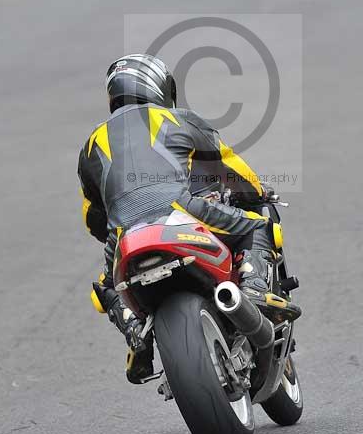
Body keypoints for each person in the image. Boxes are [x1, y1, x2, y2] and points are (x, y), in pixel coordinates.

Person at [78, 54, 284, 383]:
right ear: (160, 88)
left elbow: (93, 218)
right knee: (258, 227)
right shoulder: (178, 119)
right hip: (180, 209)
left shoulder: (90, 146)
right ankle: (255, 290)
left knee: (105, 285)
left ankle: (135, 332)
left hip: (125, 232)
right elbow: (229, 168)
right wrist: (256, 193)